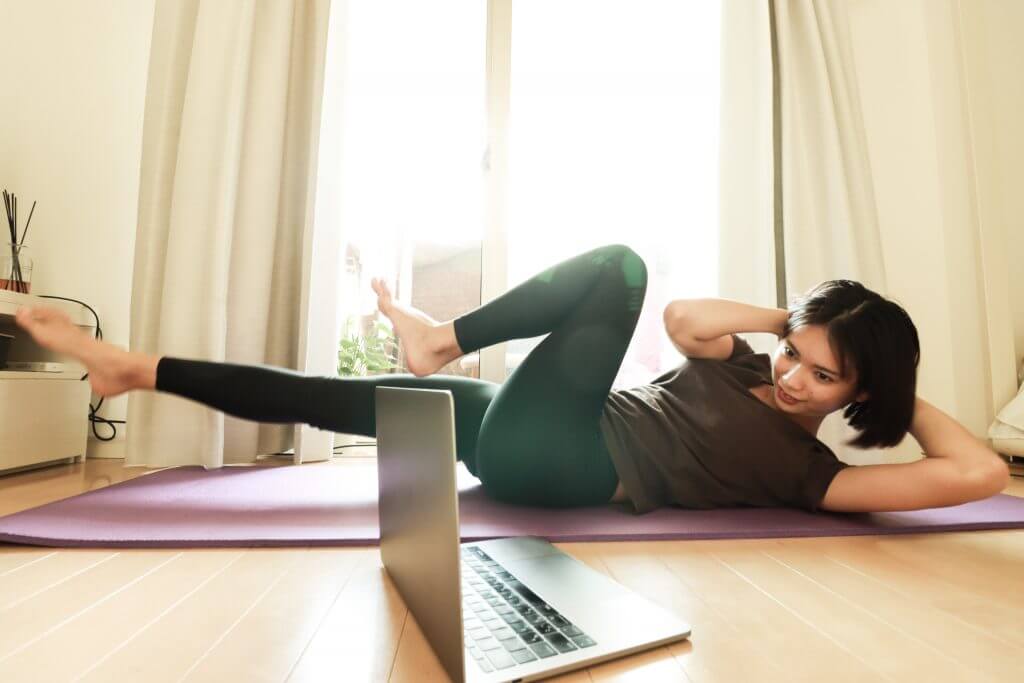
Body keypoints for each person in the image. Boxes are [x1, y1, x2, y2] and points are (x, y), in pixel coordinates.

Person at [13, 244, 1008, 514]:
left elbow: (977, 475)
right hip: (531, 431)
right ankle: (131, 366)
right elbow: (684, 320)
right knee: (327, 394)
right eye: (795, 348)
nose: (791, 373)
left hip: (567, 460)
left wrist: (882, 383)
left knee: (616, 263)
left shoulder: (815, 476)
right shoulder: (750, 354)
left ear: (855, 398)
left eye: (819, 374)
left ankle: (441, 339)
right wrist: (790, 323)